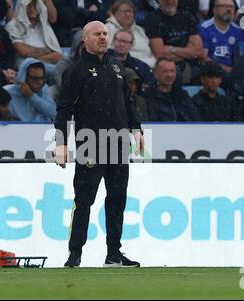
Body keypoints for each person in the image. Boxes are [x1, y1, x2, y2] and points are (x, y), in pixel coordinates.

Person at [55, 21, 144, 268]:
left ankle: (113, 255)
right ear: (85, 39)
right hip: (90, 143)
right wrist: (61, 142)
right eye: (97, 34)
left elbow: (128, 102)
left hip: (117, 143)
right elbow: (64, 109)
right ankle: (75, 255)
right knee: (84, 200)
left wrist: (136, 129)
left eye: (105, 33)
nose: (103, 37)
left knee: (117, 200)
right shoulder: (75, 71)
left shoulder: (117, 66)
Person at [143, 0, 204, 84]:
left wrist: (172, 49)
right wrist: (189, 53)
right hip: (167, 64)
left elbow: (198, 51)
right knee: (174, 72)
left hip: (191, 64)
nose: (169, 2)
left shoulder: (187, 16)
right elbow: (160, 54)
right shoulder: (152, 18)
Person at [6, 0, 62, 67]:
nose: (32, 9)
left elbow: (57, 56)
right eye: (29, 5)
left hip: (46, 67)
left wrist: (35, 63)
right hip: (23, 70)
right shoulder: (13, 26)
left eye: (35, 5)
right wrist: (45, 51)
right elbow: (23, 51)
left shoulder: (44, 27)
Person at [143, 57, 200, 121]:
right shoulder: (146, 96)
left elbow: (195, 119)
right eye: (165, 71)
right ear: (155, 73)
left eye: (172, 71)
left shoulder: (182, 95)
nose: (169, 75)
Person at [198, 0, 244, 74]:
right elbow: (203, 58)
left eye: (231, 7)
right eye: (224, 6)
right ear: (214, 10)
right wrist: (224, 69)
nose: (229, 9)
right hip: (209, 72)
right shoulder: (204, 28)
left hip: (230, 72)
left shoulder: (237, 30)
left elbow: (238, 57)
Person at [105, 0, 156, 67]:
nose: (128, 14)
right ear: (114, 13)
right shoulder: (106, 28)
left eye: (130, 11)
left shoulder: (140, 30)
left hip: (149, 68)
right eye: (124, 11)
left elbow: (150, 52)